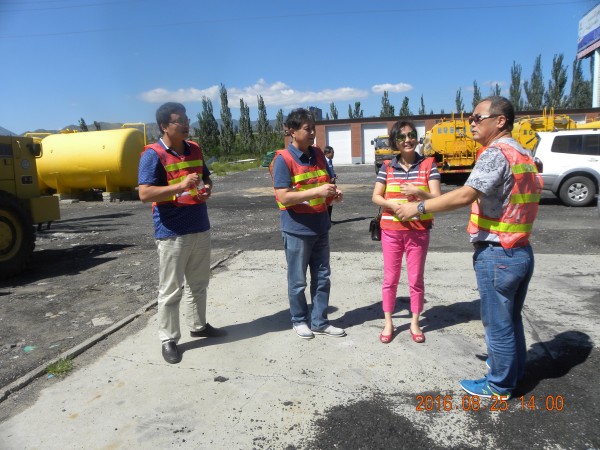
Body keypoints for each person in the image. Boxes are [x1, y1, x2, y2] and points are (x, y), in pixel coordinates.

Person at [395, 96, 543, 399]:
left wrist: (419, 207)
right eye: (470, 118)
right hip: (520, 249)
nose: (471, 123)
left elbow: (465, 195)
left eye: (477, 118)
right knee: (511, 320)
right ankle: (513, 373)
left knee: (497, 324)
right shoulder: (522, 152)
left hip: (498, 252)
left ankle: (499, 385)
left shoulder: (495, 153)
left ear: (500, 121)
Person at [138, 102, 226, 364]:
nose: (186, 124)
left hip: (200, 226)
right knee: (171, 289)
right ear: (164, 126)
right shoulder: (153, 155)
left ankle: (199, 326)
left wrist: (207, 188)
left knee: (199, 283)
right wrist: (179, 186)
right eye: (180, 121)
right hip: (171, 232)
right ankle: (168, 339)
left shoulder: (195, 149)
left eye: (187, 119)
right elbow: (145, 193)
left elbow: (206, 177)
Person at [269, 108, 345, 340]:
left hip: (320, 226)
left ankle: (320, 321)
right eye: (307, 129)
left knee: (322, 278)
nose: (312, 133)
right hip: (297, 230)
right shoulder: (283, 159)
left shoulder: (318, 154)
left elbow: (324, 183)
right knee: (298, 281)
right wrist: (318, 191)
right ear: (292, 131)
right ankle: (299, 320)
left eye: (314, 128)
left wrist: (332, 194)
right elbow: (284, 196)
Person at [371, 121, 441, 345]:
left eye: (411, 135)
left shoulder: (429, 164)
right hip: (391, 231)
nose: (407, 140)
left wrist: (418, 191)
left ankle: (415, 322)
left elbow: (438, 199)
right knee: (390, 279)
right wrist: (392, 205)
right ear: (395, 142)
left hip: (418, 231)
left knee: (416, 279)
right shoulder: (387, 166)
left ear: (416, 138)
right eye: (401, 137)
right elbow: (376, 196)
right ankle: (388, 323)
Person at [323, 146, 336, 221]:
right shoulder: (323, 161)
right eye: (332, 152)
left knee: (331, 202)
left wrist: (334, 175)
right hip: (327, 184)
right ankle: (326, 219)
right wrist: (329, 178)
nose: (333, 154)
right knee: (327, 202)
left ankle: (329, 219)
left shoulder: (330, 161)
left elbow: (330, 170)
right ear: (327, 153)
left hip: (332, 183)